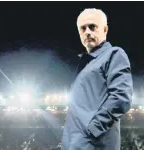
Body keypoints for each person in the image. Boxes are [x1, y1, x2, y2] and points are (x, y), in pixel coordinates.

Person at [61, 8, 133, 150]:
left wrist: (93, 130)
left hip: (93, 144)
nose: (87, 31)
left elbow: (121, 97)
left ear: (105, 30)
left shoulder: (114, 54)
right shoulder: (86, 65)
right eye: (83, 28)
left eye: (93, 27)